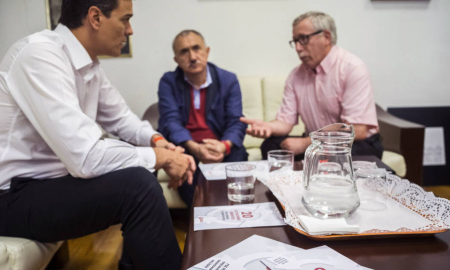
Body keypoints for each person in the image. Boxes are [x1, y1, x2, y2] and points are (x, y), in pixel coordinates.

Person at [0, 0, 195, 269]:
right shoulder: (40, 55)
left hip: (45, 188)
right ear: (95, 17)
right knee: (138, 185)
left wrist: (159, 143)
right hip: (5, 201)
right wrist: (162, 158)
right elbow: (86, 157)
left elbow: (123, 119)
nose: (130, 30)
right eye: (125, 19)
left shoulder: (90, 66)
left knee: (141, 170)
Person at [241, 11, 383, 160]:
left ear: (326, 37)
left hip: (355, 143)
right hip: (314, 141)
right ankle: (292, 180)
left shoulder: (352, 68)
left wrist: (306, 143)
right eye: (295, 41)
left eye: (303, 39)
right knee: (270, 145)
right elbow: (285, 122)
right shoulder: (296, 75)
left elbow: (357, 130)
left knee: (335, 155)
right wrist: (268, 127)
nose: (297, 48)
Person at [158, 30, 248, 207]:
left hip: (219, 143)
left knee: (239, 155)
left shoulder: (228, 79)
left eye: (196, 48)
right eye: (184, 51)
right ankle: (203, 223)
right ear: (176, 60)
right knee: (186, 169)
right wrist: (195, 148)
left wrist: (223, 146)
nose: (192, 57)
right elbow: (170, 121)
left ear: (206, 52)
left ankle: (235, 214)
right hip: (187, 145)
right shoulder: (168, 81)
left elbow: (235, 120)